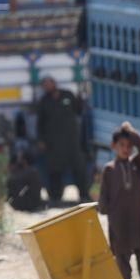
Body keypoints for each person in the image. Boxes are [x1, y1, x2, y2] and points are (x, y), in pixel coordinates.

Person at [98, 122, 140, 279]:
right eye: (122, 145)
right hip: (119, 220)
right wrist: (105, 210)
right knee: (121, 256)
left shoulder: (136, 165)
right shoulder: (109, 169)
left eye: (129, 146)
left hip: (138, 218)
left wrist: (130, 132)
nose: (126, 149)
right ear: (113, 146)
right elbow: (104, 196)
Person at [36, 76, 92, 204]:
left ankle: (83, 194)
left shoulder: (67, 95)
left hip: (71, 140)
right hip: (54, 143)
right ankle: (56, 197)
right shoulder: (44, 101)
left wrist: (80, 98)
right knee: (55, 170)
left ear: (54, 83)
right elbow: (40, 123)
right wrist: (41, 140)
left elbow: (79, 110)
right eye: (45, 85)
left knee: (79, 168)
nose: (48, 86)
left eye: (49, 83)